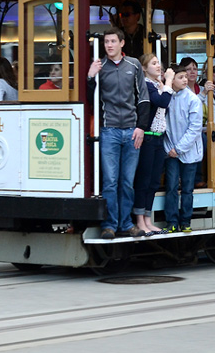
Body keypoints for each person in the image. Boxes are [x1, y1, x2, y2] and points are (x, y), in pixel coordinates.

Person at [87, 28, 150, 239]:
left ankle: (125, 223)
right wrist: (90, 76)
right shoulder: (100, 66)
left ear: (122, 43)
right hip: (109, 130)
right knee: (111, 181)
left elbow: (143, 99)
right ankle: (109, 225)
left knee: (126, 181)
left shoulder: (133, 65)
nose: (109, 45)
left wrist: (141, 127)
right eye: (106, 42)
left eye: (113, 41)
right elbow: (90, 99)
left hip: (132, 130)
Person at [132, 54, 174, 236]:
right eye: (154, 63)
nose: (158, 66)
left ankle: (148, 219)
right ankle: (139, 220)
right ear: (143, 67)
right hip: (147, 137)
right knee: (144, 180)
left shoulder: (159, 86)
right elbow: (162, 101)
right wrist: (170, 80)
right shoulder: (146, 86)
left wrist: (165, 84)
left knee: (154, 181)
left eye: (159, 63)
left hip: (158, 137)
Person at [162, 66, 204, 233]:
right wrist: (170, 149)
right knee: (171, 187)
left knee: (187, 188)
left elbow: (194, 128)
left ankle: (185, 221)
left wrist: (178, 149)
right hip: (171, 151)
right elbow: (163, 126)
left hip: (188, 152)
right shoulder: (167, 98)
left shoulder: (193, 100)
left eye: (186, 77)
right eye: (180, 77)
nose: (185, 80)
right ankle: (171, 221)